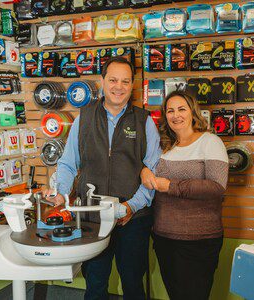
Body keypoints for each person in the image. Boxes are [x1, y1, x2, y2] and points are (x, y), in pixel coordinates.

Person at [44, 56, 161, 300]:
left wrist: (131, 206)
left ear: (132, 85)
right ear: (103, 81)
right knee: (95, 282)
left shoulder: (144, 120)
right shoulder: (83, 118)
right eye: (113, 80)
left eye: (125, 81)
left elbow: (153, 170)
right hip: (91, 216)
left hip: (133, 218)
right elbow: (67, 163)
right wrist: (61, 194)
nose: (119, 87)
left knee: (133, 282)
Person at [141, 91, 229, 300]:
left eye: (181, 109)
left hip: (199, 240)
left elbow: (217, 187)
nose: (175, 115)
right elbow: (145, 168)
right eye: (170, 110)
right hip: (164, 238)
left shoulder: (210, 142)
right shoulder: (163, 145)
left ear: (192, 112)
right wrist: (143, 171)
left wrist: (171, 186)